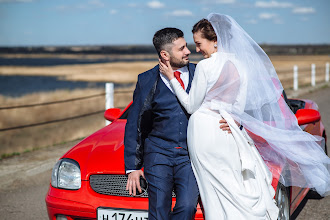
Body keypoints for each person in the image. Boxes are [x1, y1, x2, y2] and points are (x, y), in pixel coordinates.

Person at [159, 13, 330, 219]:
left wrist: (172, 79)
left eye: (199, 43)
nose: (196, 49)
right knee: (234, 182)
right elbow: (238, 107)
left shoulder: (205, 66)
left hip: (204, 130)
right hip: (228, 129)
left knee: (212, 189)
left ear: (215, 41)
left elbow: (190, 105)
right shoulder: (242, 65)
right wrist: (235, 121)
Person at [124, 27, 231, 220]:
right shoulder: (146, 80)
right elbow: (134, 123)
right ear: (165, 54)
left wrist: (233, 120)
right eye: (181, 48)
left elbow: (222, 102)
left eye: (187, 46)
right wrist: (132, 168)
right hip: (158, 154)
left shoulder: (201, 72)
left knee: (188, 206)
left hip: (190, 155)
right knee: (158, 210)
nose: (188, 51)